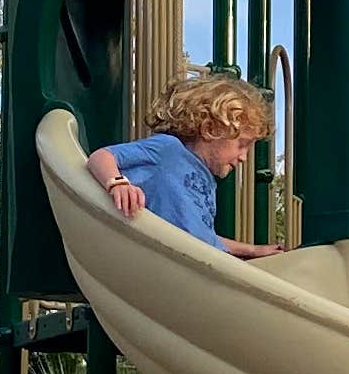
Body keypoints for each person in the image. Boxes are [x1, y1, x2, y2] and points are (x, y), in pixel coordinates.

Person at [86, 70, 275, 250]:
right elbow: (101, 156)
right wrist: (118, 183)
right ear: (210, 129)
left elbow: (204, 238)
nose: (243, 157)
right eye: (242, 145)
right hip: (165, 261)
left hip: (191, 261)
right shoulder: (168, 150)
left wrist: (252, 250)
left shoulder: (208, 183)